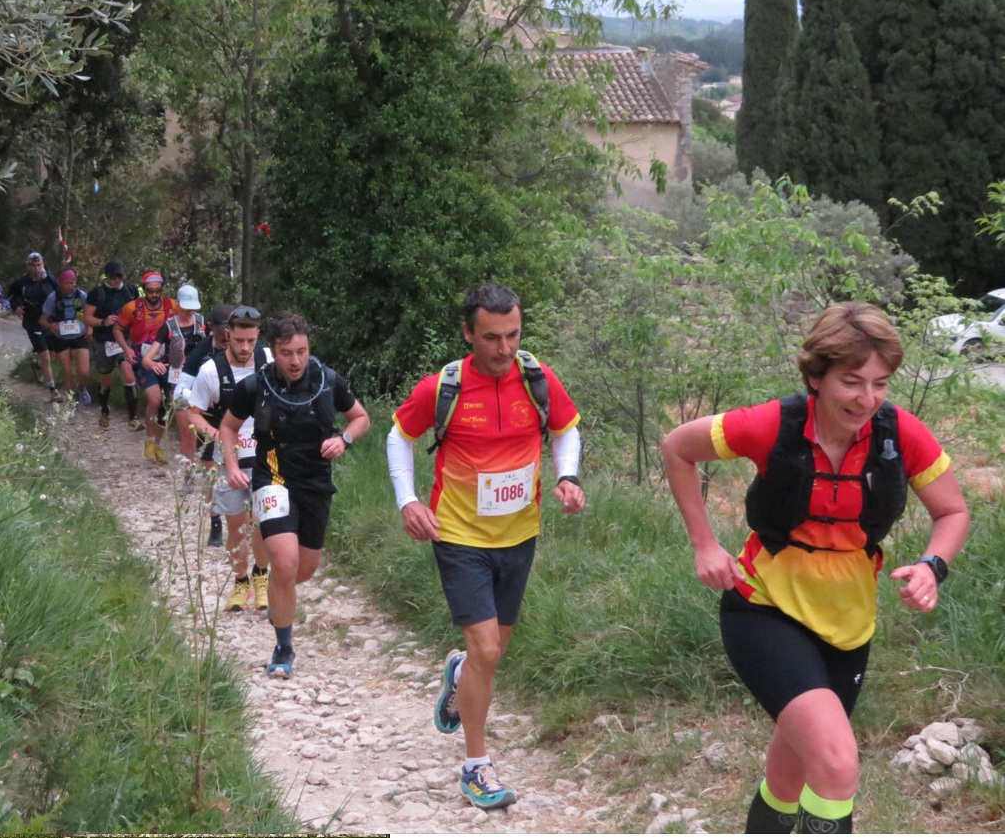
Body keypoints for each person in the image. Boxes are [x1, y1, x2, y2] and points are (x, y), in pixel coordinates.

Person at [660, 302, 969, 834]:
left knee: (791, 774)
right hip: (763, 607)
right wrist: (704, 544)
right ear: (815, 377)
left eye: (880, 383)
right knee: (836, 761)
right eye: (852, 382)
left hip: (847, 624)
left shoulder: (900, 434)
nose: (867, 399)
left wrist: (930, 566)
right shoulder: (773, 424)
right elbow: (676, 446)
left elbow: (953, 511)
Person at [387, 282, 585, 810]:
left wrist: (568, 476)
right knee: (487, 650)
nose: (504, 349)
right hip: (458, 535)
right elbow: (398, 436)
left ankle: (460, 675)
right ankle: (476, 767)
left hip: (520, 534)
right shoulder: (443, 388)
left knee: (490, 657)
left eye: (513, 335)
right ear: (468, 333)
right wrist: (408, 500)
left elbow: (565, 428)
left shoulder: (537, 379)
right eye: (492, 338)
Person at [220, 311, 370, 678]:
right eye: (287, 353)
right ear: (274, 351)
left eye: (301, 351)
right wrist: (232, 466)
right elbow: (227, 426)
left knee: (301, 571)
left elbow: (361, 417)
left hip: (316, 483)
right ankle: (284, 647)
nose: (296, 361)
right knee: (283, 563)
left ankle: (278, 596)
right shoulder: (255, 386)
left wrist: (343, 439)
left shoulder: (328, 380)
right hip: (273, 477)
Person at [180, 306, 274, 613]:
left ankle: (262, 577)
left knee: (261, 523)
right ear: (227, 336)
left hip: (264, 459)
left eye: (250, 340)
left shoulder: (269, 361)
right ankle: (240, 581)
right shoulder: (211, 371)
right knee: (236, 525)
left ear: (257, 335)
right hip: (227, 461)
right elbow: (193, 413)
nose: (245, 348)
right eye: (239, 340)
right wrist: (217, 435)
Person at [178, 305, 234, 545]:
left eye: (230, 335)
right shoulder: (201, 351)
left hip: (241, 418)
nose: (226, 341)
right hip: (211, 419)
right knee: (212, 470)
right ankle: (215, 523)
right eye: (221, 336)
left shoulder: (249, 347)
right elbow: (179, 392)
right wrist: (201, 397)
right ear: (212, 330)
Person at [114, 271, 178, 464]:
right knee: (154, 398)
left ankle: (156, 445)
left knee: (168, 403)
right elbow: (117, 329)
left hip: (167, 360)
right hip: (142, 360)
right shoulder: (132, 308)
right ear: (144, 290)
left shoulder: (172, 306)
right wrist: (126, 349)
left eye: (158, 291)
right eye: (150, 291)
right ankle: (150, 440)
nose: (154, 295)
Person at [141, 283, 209, 463]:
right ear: (178, 304)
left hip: (201, 379)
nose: (190, 312)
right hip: (177, 381)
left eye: (193, 308)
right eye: (186, 308)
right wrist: (154, 365)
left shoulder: (202, 322)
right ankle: (185, 469)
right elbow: (146, 359)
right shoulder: (168, 327)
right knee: (181, 426)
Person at [84, 261, 140, 430]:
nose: (116, 280)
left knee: (129, 376)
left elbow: (140, 312)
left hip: (124, 340)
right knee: (105, 379)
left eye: (119, 276)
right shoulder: (96, 293)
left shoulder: (131, 291)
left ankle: (133, 418)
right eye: (112, 276)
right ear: (106, 276)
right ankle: (104, 410)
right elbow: (87, 317)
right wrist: (103, 321)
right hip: (103, 341)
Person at [6, 251, 64, 403]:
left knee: (52, 356)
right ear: (28, 266)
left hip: (50, 321)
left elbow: (61, 298)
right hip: (32, 322)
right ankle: (53, 391)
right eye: (33, 266)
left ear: (43, 264)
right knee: (45, 356)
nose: (37, 268)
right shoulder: (22, 282)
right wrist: (15, 307)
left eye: (39, 265)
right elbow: (10, 296)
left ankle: (37, 366)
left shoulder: (51, 280)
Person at [39, 268, 92, 405]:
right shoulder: (53, 298)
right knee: (68, 372)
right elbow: (42, 320)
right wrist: (50, 326)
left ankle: (82, 387)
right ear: (61, 283)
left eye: (72, 282)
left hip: (79, 335)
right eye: (67, 283)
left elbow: (89, 316)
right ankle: (72, 401)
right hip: (61, 338)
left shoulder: (82, 296)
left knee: (84, 371)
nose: (70, 286)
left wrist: (90, 328)